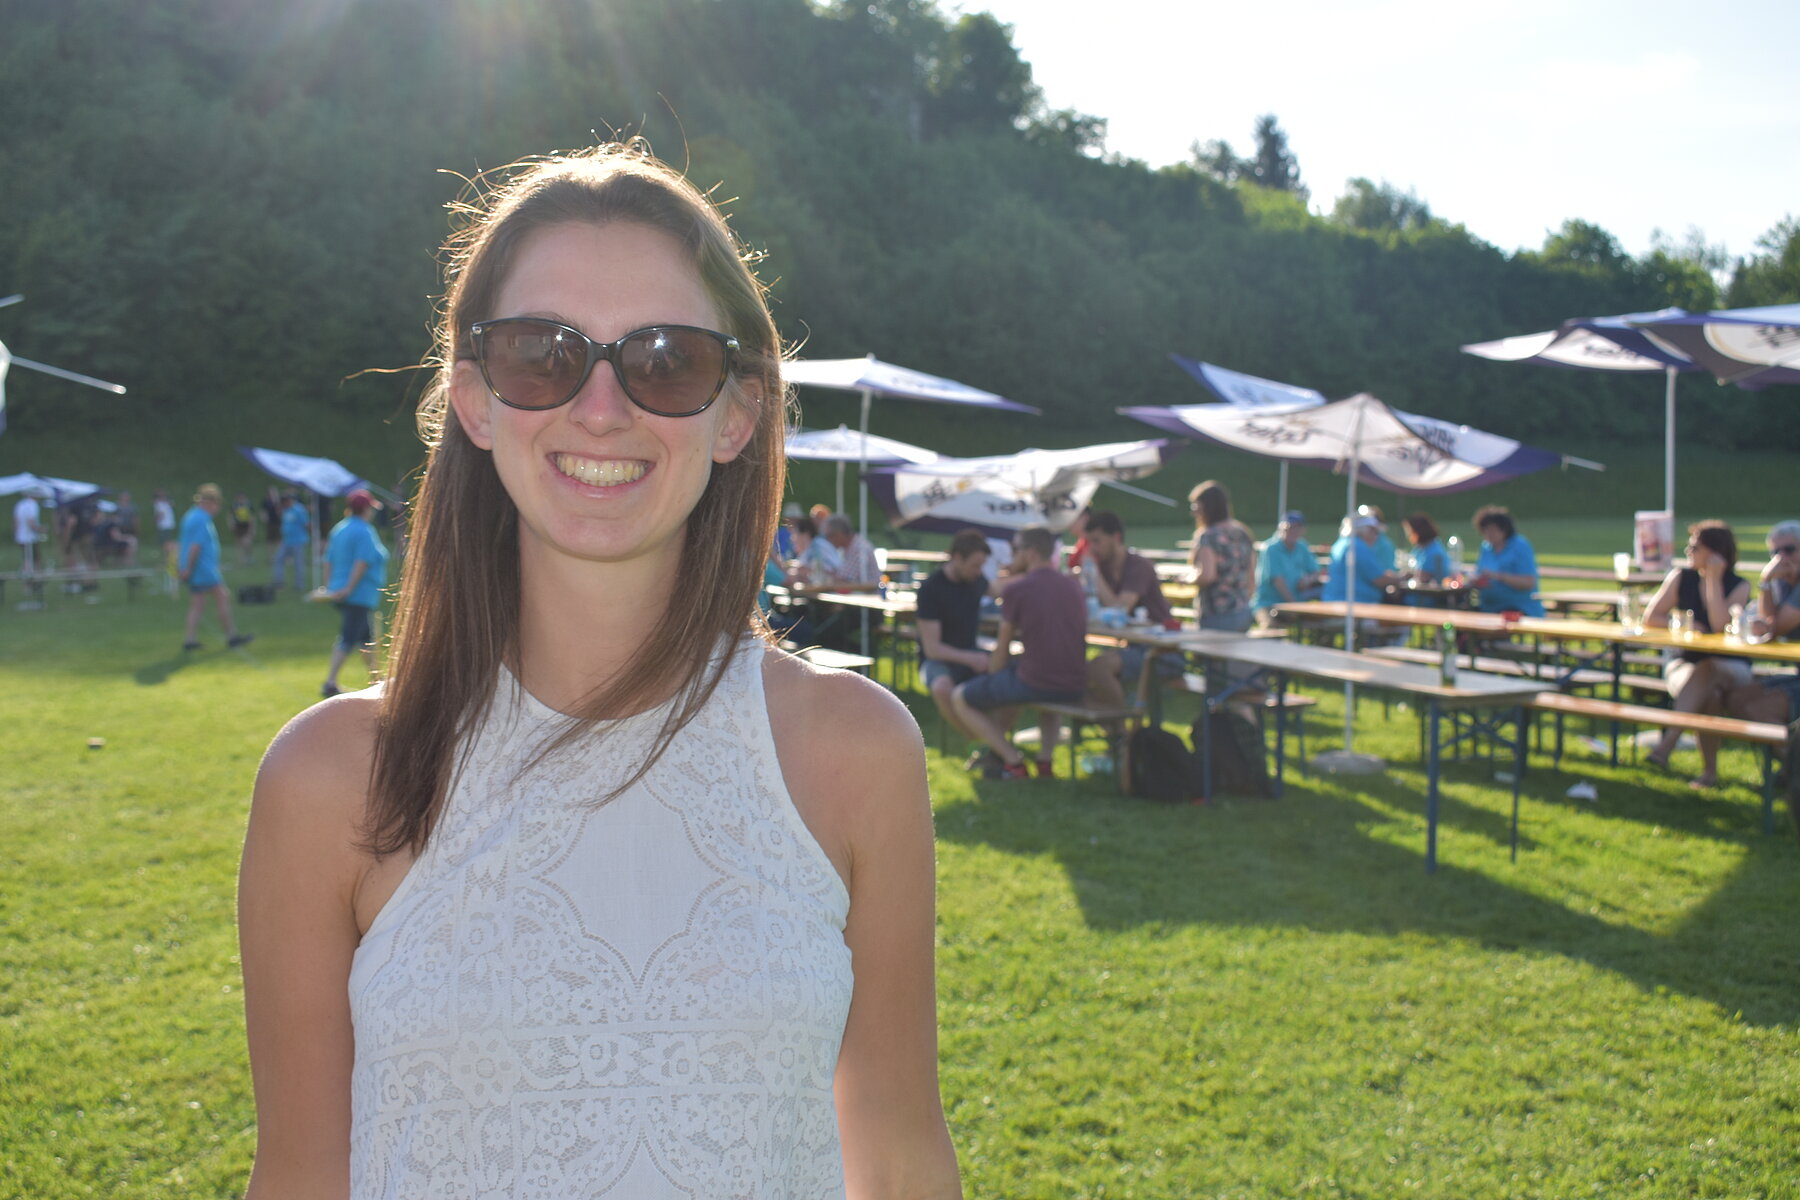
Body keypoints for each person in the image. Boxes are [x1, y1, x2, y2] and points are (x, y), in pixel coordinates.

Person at [239, 144, 960, 1198]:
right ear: (475, 401)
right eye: (543, 354)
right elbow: (302, 1177)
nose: (603, 407)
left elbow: (897, 1160)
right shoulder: (331, 778)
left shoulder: (853, 751)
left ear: (737, 414)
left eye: (667, 360)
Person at [951, 524, 1087, 781]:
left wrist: (992, 674)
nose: (1012, 556)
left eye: (1015, 550)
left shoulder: (1017, 590)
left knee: (960, 697)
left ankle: (1013, 762)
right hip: (1075, 682)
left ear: (1031, 553)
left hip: (1037, 682)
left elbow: (1001, 650)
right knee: (1042, 684)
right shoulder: (1073, 586)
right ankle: (1045, 762)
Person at [1643, 520, 1755, 788]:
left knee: (1709, 668)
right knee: (1710, 692)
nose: (1688, 551)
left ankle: (1667, 745)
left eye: (1695, 547)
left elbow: (1719, 626)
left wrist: (1712, 580)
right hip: (1684, 664)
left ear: (1717, 552)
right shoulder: (1680, 577)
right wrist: (1684, 626)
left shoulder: (1739, 585)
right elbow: (1651, 617)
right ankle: (1709, 774)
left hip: (1731, 667)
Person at [1083, 511, 1180, 708]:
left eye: (1097, 541)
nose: (1092, 549)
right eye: (1089, 542)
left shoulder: (1139, 566)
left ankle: (1122, 724)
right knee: (1081, 676)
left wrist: (1093, 574)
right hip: (1134, 646)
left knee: (1098, 669)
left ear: (1116, 537)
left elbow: (1120, 608)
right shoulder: (1105, 568)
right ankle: (1114, 723)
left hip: (1162, 651)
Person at [313, 489, 389, 698]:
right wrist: (349, 587)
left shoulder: (339, 529)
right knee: (349, 637)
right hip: (358, 593)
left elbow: (328, 560)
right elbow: (362, 561)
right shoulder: (364, 531)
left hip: (342, 591)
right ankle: (330, 682)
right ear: (365, 509)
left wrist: (329, 587)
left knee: (365, 637)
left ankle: (377, 680)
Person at [177, 483, 253, 651]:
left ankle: (189, 639)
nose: (217, 508)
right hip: (202, 569)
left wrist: (185, 567)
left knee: (198, 604)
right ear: (209, 502)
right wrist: (188, 567)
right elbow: (195, 546)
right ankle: (232, 636)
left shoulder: (192, 516)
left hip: (199, 568)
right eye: (216, 503)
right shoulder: (201, 519)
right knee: (222, 597)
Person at [1187, 480, 1255, 633]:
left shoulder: (1208, 536)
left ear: (1206, 507)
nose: (1193, 513)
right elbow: (1251, 576)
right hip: (1243, 611)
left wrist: (1188, 579)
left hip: (1216, 614)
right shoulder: (1243, 532)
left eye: (1196, 507)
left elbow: (1207, 576)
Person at [1469, 505, 1544, 617]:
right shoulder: (1486, 548)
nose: (1489, 534)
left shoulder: (1520, 546)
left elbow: (1529, 583)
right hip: (1488, 607)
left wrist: (1499, 576)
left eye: (1493, 530)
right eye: (1485, 530)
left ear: (1504, 529)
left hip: (1518, 608)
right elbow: (1480, 572)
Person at [1251, 509, 1321, 617]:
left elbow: (1315, 571)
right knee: (1271, 624)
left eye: (1297, 527)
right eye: (1289, 528)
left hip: (1296, 604)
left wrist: (1308, 580)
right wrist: (1295, 607)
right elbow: (1278, 581)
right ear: (1281, 528)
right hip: (1269, 605)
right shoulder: (1270, 549)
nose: (1293, 531)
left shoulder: (1302, 546)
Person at [1323, 512, 1402, 603]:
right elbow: (1379, 580)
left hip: (1335, 599)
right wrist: (1401, 578)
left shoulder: (1341, 544)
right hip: (1355, 602)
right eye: (1374, 532)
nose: (1376, 536)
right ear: (1364, 531)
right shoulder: (1358, 547)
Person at [820, 512, 881, 590]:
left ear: (840, 534)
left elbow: (844, 580)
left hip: (869, 595)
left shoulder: (858, 549)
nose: (828, 540)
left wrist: (823, 575)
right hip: (860, 593)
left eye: (830, 536)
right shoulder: (851, 546)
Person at [1401, 512, 1451, 606]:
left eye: (1410, 532)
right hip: (1417, 596)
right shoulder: (1421, 549)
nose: (1408, 536)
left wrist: (1405, 576)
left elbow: (1423, 577)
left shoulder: (1434, 552)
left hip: (1426, 600)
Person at [270, 492, 310, 593]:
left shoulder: (299, 510)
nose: (283, 504)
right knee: (278, 559)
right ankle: (279, 582)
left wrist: (307, 536)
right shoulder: (285, 510)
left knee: (298, 563)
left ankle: (299, 585)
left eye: (284, 502)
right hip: (286, 541)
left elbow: (306, 524)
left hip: (298, 541)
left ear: (289, 501)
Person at [13, 488, 44, 573]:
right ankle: (35, 575)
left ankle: (25, 574)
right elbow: (31, 522)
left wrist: (16, 535)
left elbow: (16, 521)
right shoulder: (33, 505)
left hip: (21, 536)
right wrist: (40, 529)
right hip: (30, 536)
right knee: (35, 558)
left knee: (26, 557)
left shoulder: (19, 504)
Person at [153, 488, 178, 591]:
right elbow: (159, 514)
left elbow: (173, 504)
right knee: (165, 544)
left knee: (168, 543)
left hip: (168, 525)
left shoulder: (166, 502)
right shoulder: (158, 503)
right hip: (163, 525)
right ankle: (166, 559)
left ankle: (168, 559)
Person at [113, 490, 141, 565]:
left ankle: (129, 559)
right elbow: (114, 518)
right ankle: (121, 560)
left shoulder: (132, 507)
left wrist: (136, 529)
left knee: (132, 543)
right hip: (119, 530)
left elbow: (135, 519)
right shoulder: (116, 507)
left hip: (129, 530)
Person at [232, 492, 257, 565]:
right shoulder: (235, 506)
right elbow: (231, 515)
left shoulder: (248, 506)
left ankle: (248, 557)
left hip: (247, 526)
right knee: (239, 543)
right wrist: (232, 524)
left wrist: (252, 528)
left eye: (242, 498)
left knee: (247, 542)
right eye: (239, 498)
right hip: (238, 526)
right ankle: (241, 559)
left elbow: (252, 517)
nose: (240, 500)